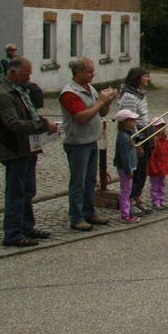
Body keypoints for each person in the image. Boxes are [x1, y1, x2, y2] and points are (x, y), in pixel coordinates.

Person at [0, 58, 58, 246]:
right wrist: (42, 125)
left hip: (28, 147)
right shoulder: (3, 94)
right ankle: (13, 233)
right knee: (16, 192)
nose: (28, 78)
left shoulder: (21, 90)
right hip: (14, 148)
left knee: (28, 190)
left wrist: (40, 123)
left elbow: (30, 113)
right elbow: (13, 124)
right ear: (12, 72)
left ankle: (26, 227)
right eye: (25, 74)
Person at [60, 57, 117, 231]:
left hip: (92, 140)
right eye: (89, 71)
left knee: (90, 180)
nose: (93, 74)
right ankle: (76, 217)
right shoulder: (69, 93)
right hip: (78, 143)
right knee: (78, 182)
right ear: (78, 72)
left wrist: (106, 102)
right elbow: (82, 117)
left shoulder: (89, 88)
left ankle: (89, 212)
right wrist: (100, 101)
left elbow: (99, 112)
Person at [117, 67, 153, 215]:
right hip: (137, 136)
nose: (148, 79)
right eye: (145, 76)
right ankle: (130, 201)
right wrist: (137, 143)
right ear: (138, 78)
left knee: (143, 171)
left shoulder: (140, 94)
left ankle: (138, 198)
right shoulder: (129, 96)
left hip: (146, 132)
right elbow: (131, 121)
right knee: (135, 170)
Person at [114, 109, 141, 223]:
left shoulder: (129, 135)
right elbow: (124, 156)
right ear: (125, 122)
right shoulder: (124, 137)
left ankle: (128, 212)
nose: (135, 121)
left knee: (127, 191)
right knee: (125, 192)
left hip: (130, 166)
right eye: (132, 120)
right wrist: (128, 170)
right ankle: (125, 215)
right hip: (126, 167)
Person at [147, 122, 168, 211]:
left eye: (162, 127)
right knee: (154, 185)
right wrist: (153, 167)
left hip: (163, 167)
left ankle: (161, 200)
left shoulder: (165, 141)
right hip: (155, 168)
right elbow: (151, 156)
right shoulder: (154, 142)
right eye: (158, 127)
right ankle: (155, 201)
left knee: (161, 184)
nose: (160, 129)